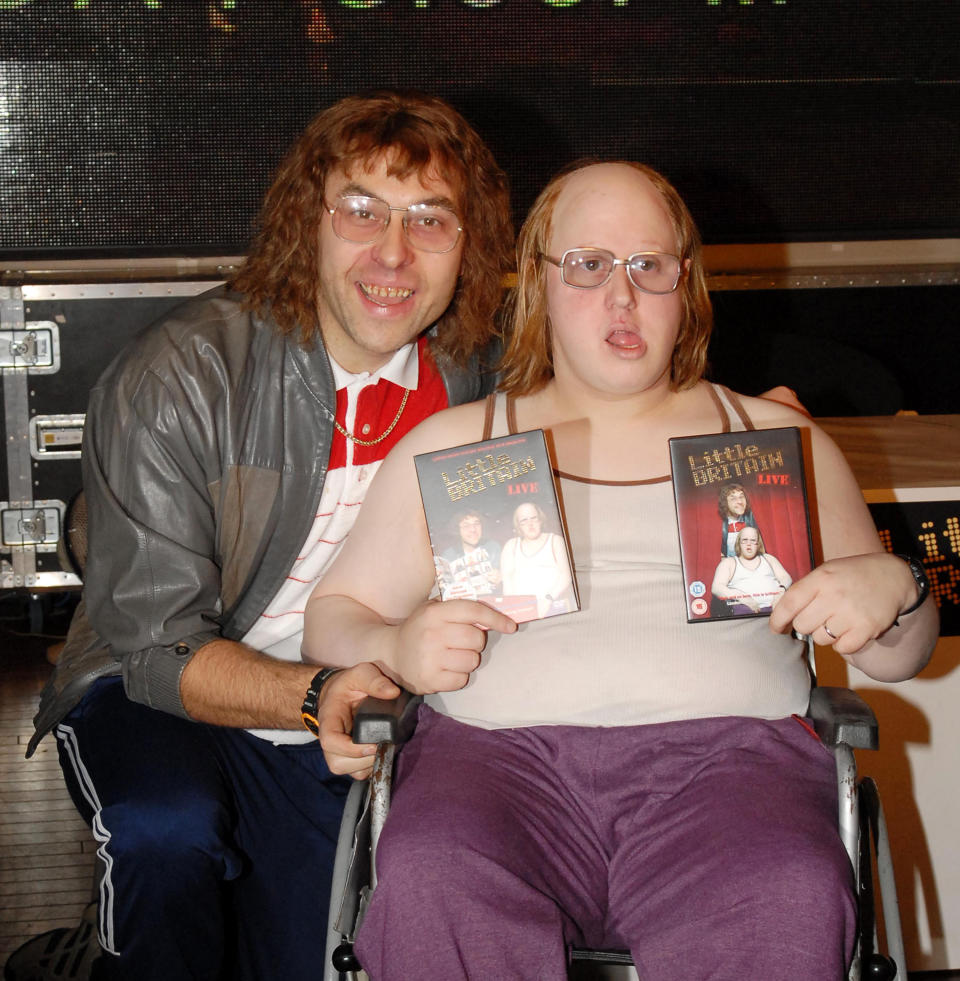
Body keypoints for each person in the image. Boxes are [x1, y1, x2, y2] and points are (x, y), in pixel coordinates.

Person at [301, 159, 938, 981]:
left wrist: (897, 587)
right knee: (433, 877)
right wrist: (395, 639)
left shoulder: (777, 438)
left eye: (650, 265)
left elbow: (899, 653)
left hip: (731, 772)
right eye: (589, 265)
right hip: (498, 771)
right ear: (537, 283)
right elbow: (333, 615)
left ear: (688, 284)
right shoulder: (457, 442)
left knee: (786, 889)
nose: (623, 295)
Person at [13, 90, 512, 981]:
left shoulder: (479, 368)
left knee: (309, 955)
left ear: (468, 245)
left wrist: (742, 416)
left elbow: (621, 404)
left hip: (351, 696)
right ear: (306, 222)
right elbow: (160, 651)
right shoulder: (177, 373)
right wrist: (318, 692)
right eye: (361, 210)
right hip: (162, 681)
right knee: (166, 836)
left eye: (430, 220)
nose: (392, 254)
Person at [499, 501, 574, 617]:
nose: (530, 524)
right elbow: (507, 582)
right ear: (518, 525)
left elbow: (567, 575)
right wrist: (514, 609)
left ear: (540, 520)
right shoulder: (511, 546)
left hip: (554, 606)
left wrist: (548, 599)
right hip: (522, 609)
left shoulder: (555, 541)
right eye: (524, 520)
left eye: (533, 518)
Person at [712, 526, 792, 614]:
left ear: (758, 544)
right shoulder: (729, 563)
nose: (748, 544)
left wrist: (781, 591)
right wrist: (743, 597)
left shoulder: (768, 558)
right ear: (739, 543)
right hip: (745, 612)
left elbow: (786, 577)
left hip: (776, 608)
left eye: (753, 540)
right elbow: (716, 588)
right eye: (745, 540)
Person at [437, 509, 502, 599]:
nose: (473, 529)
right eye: (466, 525)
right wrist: (442, 588)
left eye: (476, 524)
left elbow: (501, 586)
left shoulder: (493, 548)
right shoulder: (448, 556)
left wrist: (499, 580)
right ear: (457, 530)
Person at [718, 481, 758, 557]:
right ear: (725, 502)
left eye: (741, 497)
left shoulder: (752, 517)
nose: (740, 501)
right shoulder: (719, 523)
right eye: (733, 498)